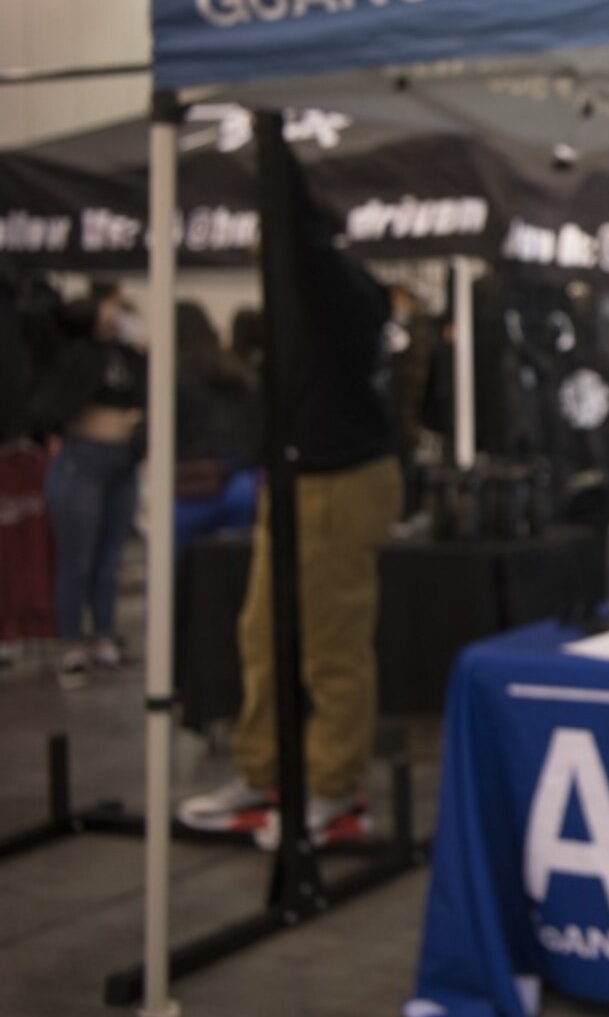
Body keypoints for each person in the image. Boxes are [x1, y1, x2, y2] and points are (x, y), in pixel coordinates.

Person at [177, 160, 403, 851]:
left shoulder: (339, 289)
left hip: (341, 482)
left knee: (330, 645)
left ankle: (333, 788)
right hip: (296, 480)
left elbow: (303, 237)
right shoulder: (298, 304)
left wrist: (271, 146)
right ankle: (265, 770)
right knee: (262, 635)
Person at [30, 285, 146, 688]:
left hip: (121, 463)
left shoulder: (130, 358)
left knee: (110, 558)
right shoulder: (74, 354)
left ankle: (104, 634)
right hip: (82, 461)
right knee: (77, 558)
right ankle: (72, 641)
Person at [172, 300, 261, 563]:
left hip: (190, 487)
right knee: (235, 569)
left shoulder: (174, 377)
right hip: (240, 483)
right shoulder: (237, 373)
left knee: (173, 576)